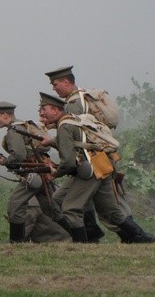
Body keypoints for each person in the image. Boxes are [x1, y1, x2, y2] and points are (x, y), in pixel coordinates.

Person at [39, 92, 154, 243]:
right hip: (102, 166)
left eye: (44, 109)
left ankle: (82, 245)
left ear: (55, 110)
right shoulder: (73, 120)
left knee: (71, 208)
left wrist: (56, 173)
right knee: (111, 209)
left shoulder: (64, 126)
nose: (41, 113)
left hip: (90, 171)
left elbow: (67, 162)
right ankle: (142, 237)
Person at [45, 65, 130, 242]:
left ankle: (124, 237)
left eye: (55, 84)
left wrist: (55, 145)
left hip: (93, 161)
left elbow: (74, 136)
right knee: (107, 204)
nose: (54, 88)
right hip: (97, 159)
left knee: (104, 204)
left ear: (66, 82)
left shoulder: (73, 105)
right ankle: (134, 237)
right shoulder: (80, 100)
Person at [0, 101, 63, 243]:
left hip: (32, 174)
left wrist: (4, 161)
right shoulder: (23, 126)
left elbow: (19, 156)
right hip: (39, 172)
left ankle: (15, 244)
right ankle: (82, 237)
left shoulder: (13, 131)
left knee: (14, 204)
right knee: (51, 209)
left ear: (5, 115)